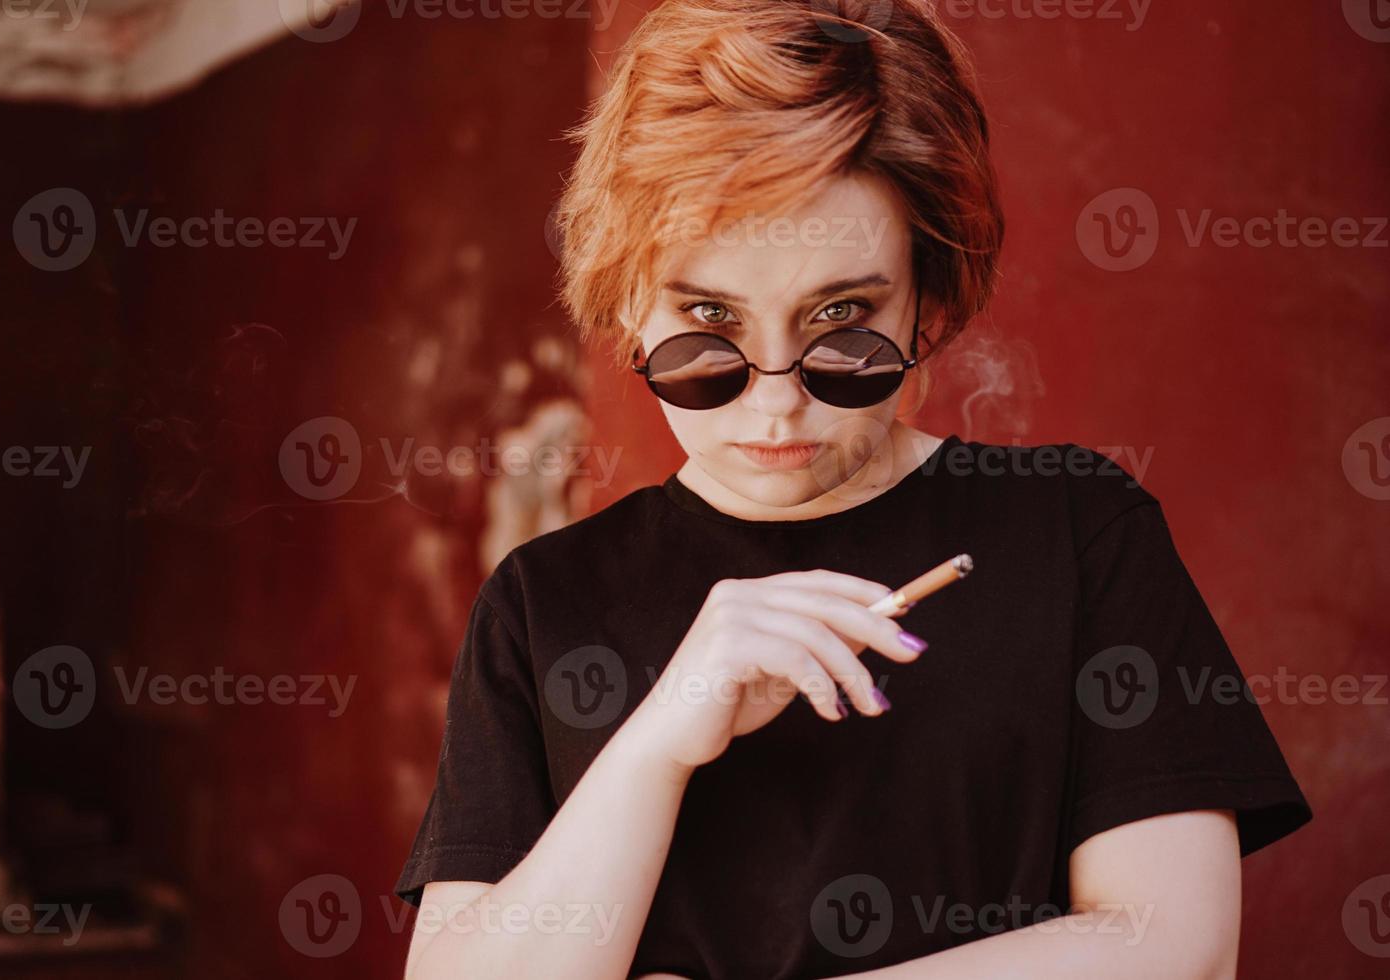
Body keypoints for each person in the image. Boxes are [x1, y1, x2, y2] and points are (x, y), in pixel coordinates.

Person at [394, 1, 1312, 977]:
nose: (778, 405)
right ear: (627, 300)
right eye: (710, 328)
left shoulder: (1079, 533)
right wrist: (659, 738)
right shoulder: (545, 601)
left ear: (927, 291)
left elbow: (1177, 947)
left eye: (843, 324)